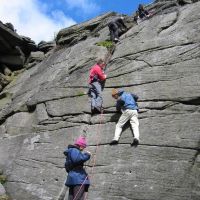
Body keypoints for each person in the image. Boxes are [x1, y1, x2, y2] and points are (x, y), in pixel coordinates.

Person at [57, 136, 91, 200]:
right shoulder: (74, 150)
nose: (83, 149)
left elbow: (67, 167)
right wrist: (87, 155)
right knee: (78, 198)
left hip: (73, 179)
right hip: (78, 179)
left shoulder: (71, 153)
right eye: (83, 147)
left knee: (71, 198)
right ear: (80, 145)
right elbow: (77, 159)